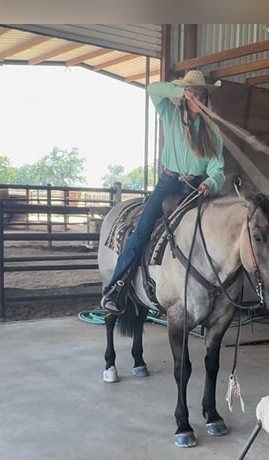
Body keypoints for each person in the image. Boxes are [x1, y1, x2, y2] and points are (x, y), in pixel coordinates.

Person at [101, 69, 226, 314]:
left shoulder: (213, 130)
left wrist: (211, 183)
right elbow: (153, 90)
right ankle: (116, 288)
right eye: (194, 95)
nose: (198, 100)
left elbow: (218, 167)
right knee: (143, 230)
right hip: (168, 183)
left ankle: (208, 294)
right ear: (186, 95)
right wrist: (181, 92)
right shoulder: (170, 114)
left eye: (201, 95)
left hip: (196, 188)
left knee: (211, 233)